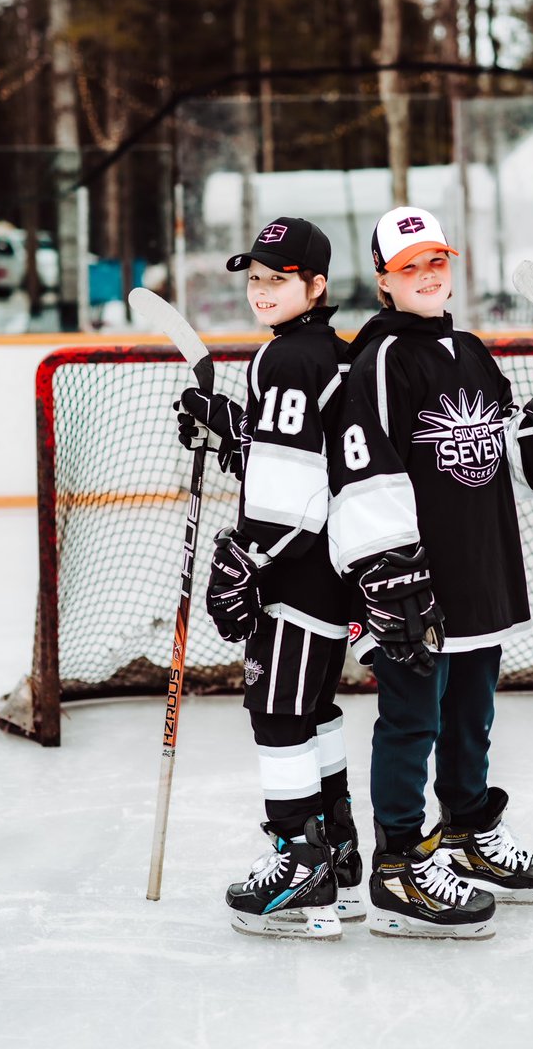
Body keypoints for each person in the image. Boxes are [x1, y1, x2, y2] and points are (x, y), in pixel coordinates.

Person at [328, 206, 533, 939]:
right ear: (383, 282)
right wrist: (390, 579)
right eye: (409, 268)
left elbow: (506, 466)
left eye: (436, 262)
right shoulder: (381, 360)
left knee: (470, 718)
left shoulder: (468, 349)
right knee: (410, 722)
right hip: (414, 588)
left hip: (480, 573)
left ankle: (464, 830)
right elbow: (363, 474)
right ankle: (398, 864)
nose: (427, 276)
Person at [175, 217, 361, 941]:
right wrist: (229, 426)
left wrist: (247, 560)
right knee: (312, 708)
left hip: (295, 572)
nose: (261, 291)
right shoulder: (329, 356)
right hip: (336, 571)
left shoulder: (283, 360)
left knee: (276, 713)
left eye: (277, 279)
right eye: (254, 278)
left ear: (315, 286)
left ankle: (299, 869)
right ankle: (338, 857)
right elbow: (299, 451)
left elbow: (292, 493)